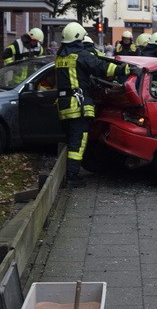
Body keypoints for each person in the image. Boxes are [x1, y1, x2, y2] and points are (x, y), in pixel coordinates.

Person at [55, 22, 132, 188]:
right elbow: (101, 67)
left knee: (70, 139)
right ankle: (72, 178)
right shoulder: (80, 55)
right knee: (78, 140)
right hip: (77, 105)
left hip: (64, 105)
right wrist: (122, 70)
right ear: (77, 38)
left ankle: (68, 174)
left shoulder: (61, 56)